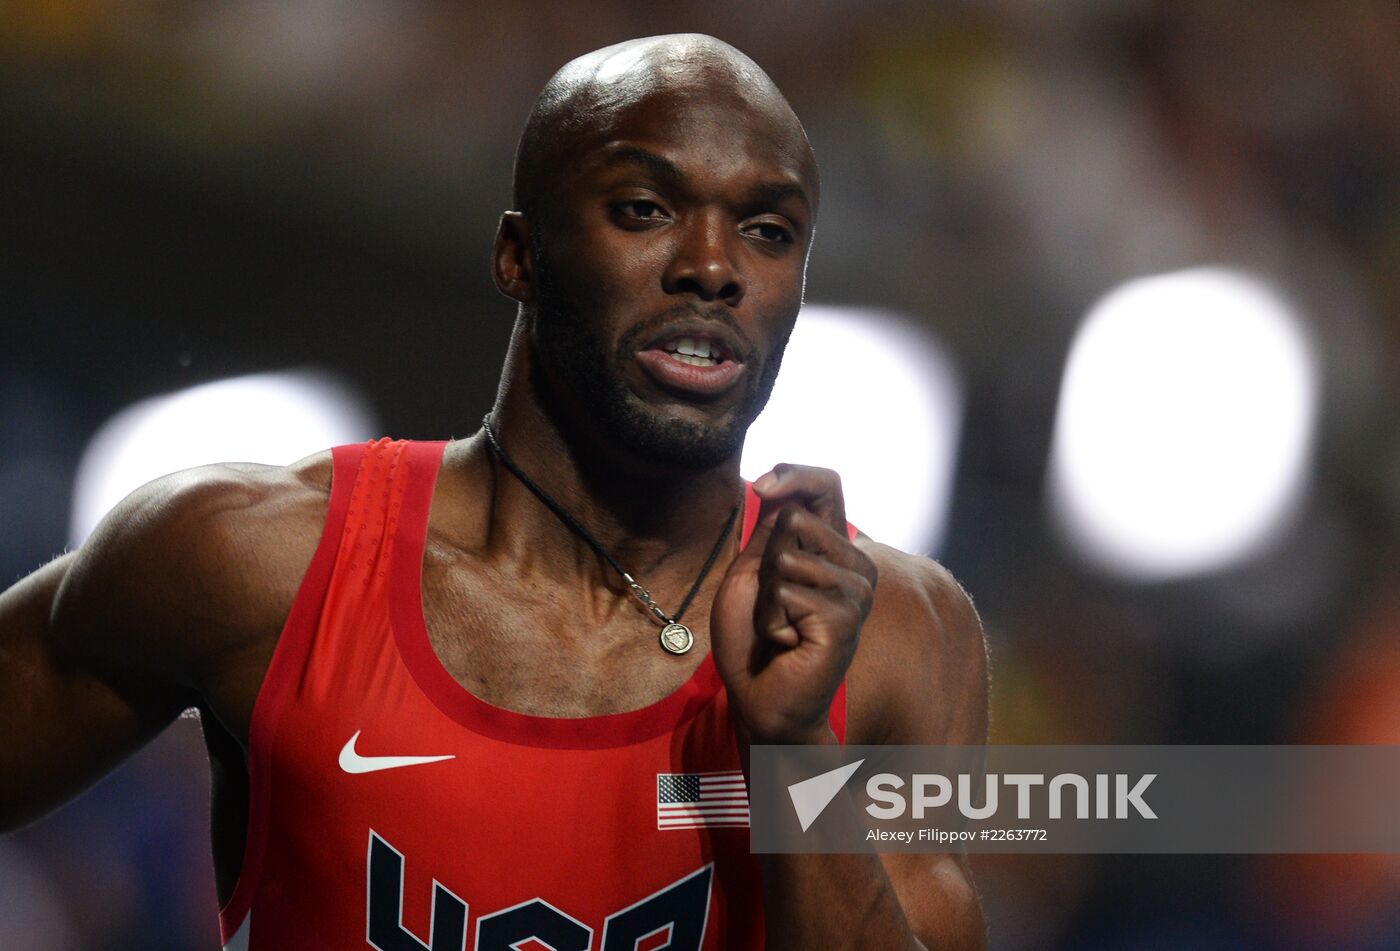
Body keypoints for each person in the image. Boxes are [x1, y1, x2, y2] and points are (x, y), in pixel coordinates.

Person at [0, 33, 988, 950]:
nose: (711, 268)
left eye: (767, 231)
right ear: (518, 255)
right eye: (644, 211)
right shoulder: (250, 559)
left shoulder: (899, 637)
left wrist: (791, 747)